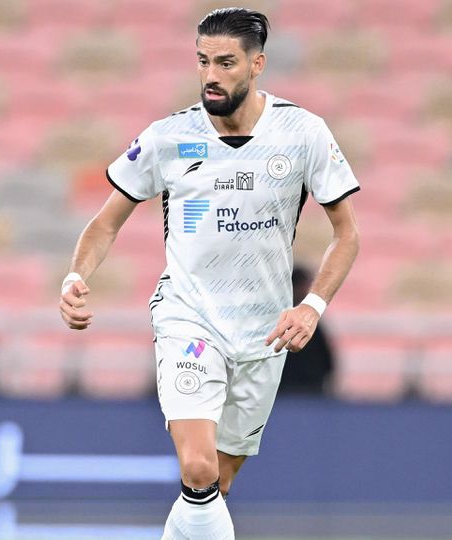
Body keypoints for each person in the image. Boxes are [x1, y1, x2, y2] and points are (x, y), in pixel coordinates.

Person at [59, 8, 359, 539]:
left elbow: (347, 235)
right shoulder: (168, 137)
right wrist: (75, 278)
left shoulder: (302, 133)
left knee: (215, 484)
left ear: (257, 64)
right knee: (196, 468)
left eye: (225, 62)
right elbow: (104, 224)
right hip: (189, 318)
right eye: (202, 61)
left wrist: (311, 306)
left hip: (265, 333)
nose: (210, 75)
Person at [279, 264, 336, 394]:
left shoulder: (310, 322)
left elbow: (326, 361)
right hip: (288, 392)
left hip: (307, 390)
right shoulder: (306, 322)